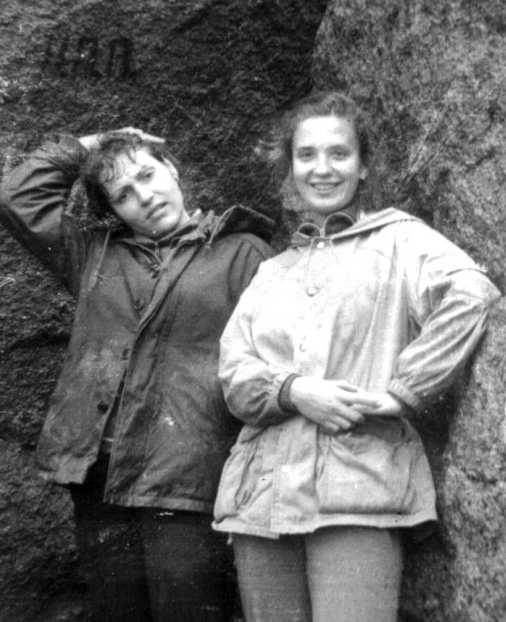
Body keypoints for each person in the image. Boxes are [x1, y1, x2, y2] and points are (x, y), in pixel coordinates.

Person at [212, 92, 501, 622]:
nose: (322, 169)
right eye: (306, 155)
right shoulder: (272, 271)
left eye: (339, 154)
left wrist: (403, 392)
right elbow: (233, 374)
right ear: (290, 168)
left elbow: (471, 293)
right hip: (260, 500)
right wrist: (294, 392)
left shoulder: (401, 241)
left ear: (364, 165)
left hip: (358, 491)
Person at [0, 128, 274, 622]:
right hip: (101, 473)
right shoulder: (94, 253)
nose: (143, 196)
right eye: (123, 194)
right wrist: (93, 143)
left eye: (147, 175)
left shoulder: (244, 253)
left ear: (174, 171)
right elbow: (16, 198)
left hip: (187, 475)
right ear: (114, 211)